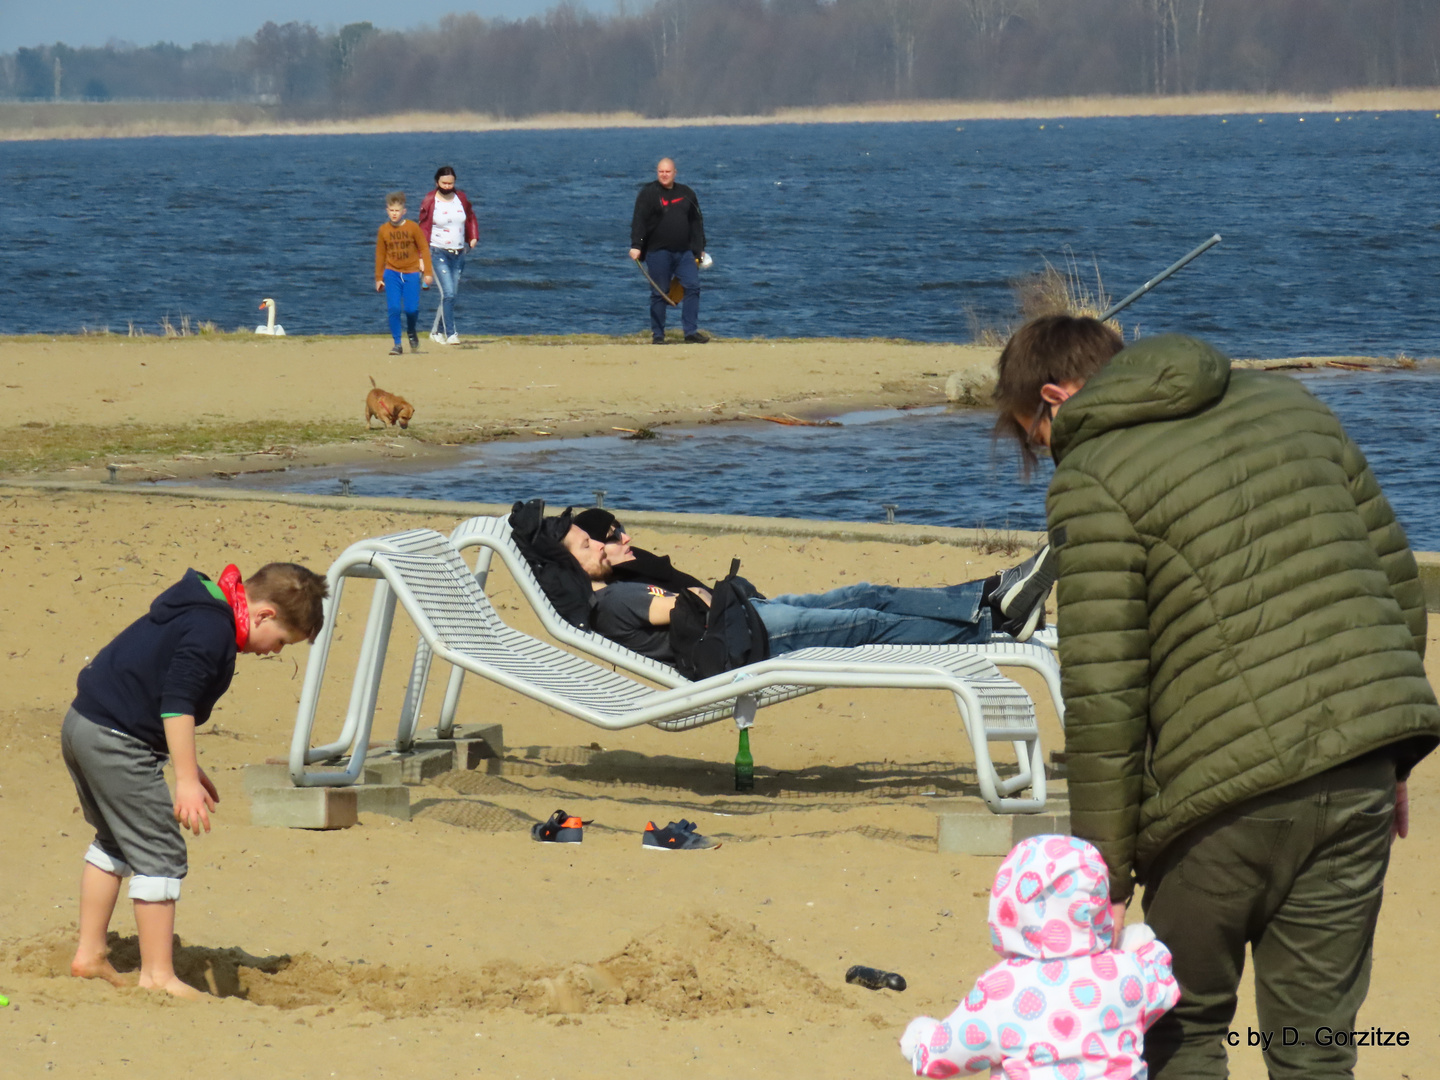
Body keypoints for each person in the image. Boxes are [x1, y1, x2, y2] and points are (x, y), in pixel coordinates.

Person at [993, 314, 1440, 1078]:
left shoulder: (1094, 474)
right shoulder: (1290, 404)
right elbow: (1398, 585)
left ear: (1055, 397)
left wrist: (1100, 880)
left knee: (1181, 1030)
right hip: (1360, 763)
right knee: (1316, 1046)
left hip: (1217, 802)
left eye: (1030, 431)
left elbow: (1106, 691)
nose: (1040, 448)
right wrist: (1394, 762)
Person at [63, 561, 328, 998]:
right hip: (114, 739)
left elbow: (153, 688)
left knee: (113, 839)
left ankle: (90, 954)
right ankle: (158, 977)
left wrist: (185, 763)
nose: (275, 652)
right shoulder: (211, 632)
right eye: (281, 641)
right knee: (160, 851)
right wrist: (184, 780)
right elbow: (176, 703)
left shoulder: (202, 604)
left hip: (85, 723)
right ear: (262, 615)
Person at [559, 511, 1054, 666]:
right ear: (577, 571)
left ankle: (987, 595)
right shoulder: (619, 599)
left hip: (750, 618)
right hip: (751, 639)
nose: (603, 547)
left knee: (868, 593)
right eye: (589, 548)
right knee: (870, 623)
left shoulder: (619, 588)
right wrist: (700, 594)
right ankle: (996, 622)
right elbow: (694, 608)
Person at [899, 834, 1181, 1080]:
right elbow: (1163, 980)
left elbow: (949, 1054)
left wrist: (921, 1041)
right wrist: (1135, 944)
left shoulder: (1001, 989)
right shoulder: (1127, 973)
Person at [629, 157, 708, 345]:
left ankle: (690, 332)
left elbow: (696, 222)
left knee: (693, 287)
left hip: (684, 253)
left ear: (675, 173)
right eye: (661, 172)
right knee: (659, 293)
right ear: (657, 173)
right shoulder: (648, 194)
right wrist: (636, 245)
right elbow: (639, 221)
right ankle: (658, 335)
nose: (664, 175)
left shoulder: (687, 193)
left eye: (668, 172)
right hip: (658, 252)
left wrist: (700, 248)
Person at [418, 165, 478, 345]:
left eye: (450, 183)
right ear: (437, 182)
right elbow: (423, 228)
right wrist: (421, 257)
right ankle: (451, 333)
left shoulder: (461, 198)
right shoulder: (430, 200)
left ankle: (436, 331)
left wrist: (473, 236)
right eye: (443, 183)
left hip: (459, 253)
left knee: (449, 296)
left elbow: (470, 217)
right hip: (438, 252)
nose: (446, 186)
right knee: (449, 293)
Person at [374, 190, 434, 355]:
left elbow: (424, 248)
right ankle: (397, 344)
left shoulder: (412, 227)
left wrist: (428, 273)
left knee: (411, 310)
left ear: (403, 211)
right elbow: (380, 254)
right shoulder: (383, 230)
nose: (394, 214)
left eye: (397, 211)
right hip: (391, 272)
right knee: (393, 308)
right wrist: (379, 278)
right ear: (387, 211)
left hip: (411, 272)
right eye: (391, 211)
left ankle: (412, 331)